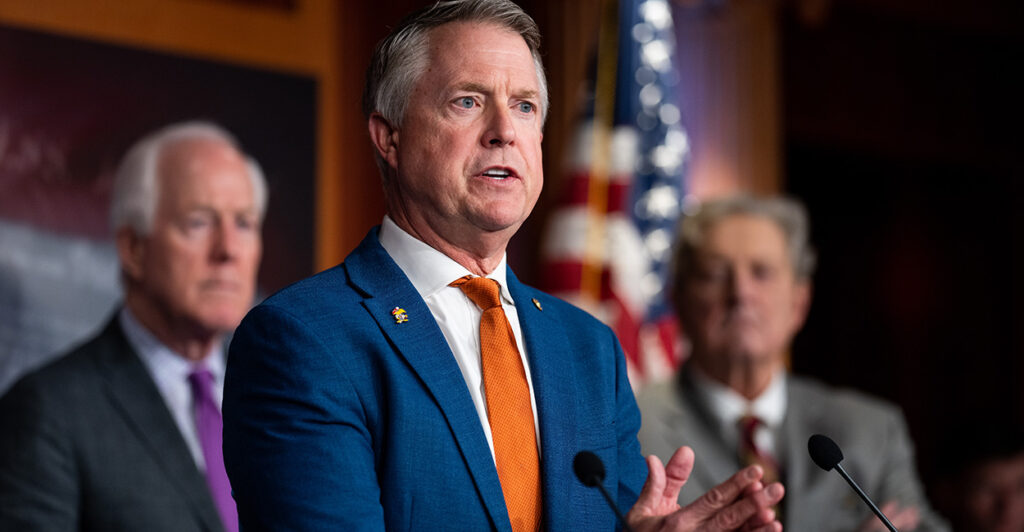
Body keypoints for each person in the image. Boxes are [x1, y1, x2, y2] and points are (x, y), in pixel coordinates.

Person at [222, 1, 783, 531]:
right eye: (466, 101)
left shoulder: (589, 350)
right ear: (389, 137)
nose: (503, 131)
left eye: (524, 106)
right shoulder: (303, 340)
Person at [0, 121, 266, 532]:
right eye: (199, 222)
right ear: (133, 249)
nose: (228, 249)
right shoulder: (48, 411)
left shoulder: (280, 397)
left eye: (245, 223)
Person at [636, 194, 950, 531]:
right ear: (677, 298)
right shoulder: (632, 428)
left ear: (799, 302)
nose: (741, 292)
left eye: (762, 272)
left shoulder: (872, 430)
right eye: (714, 274)